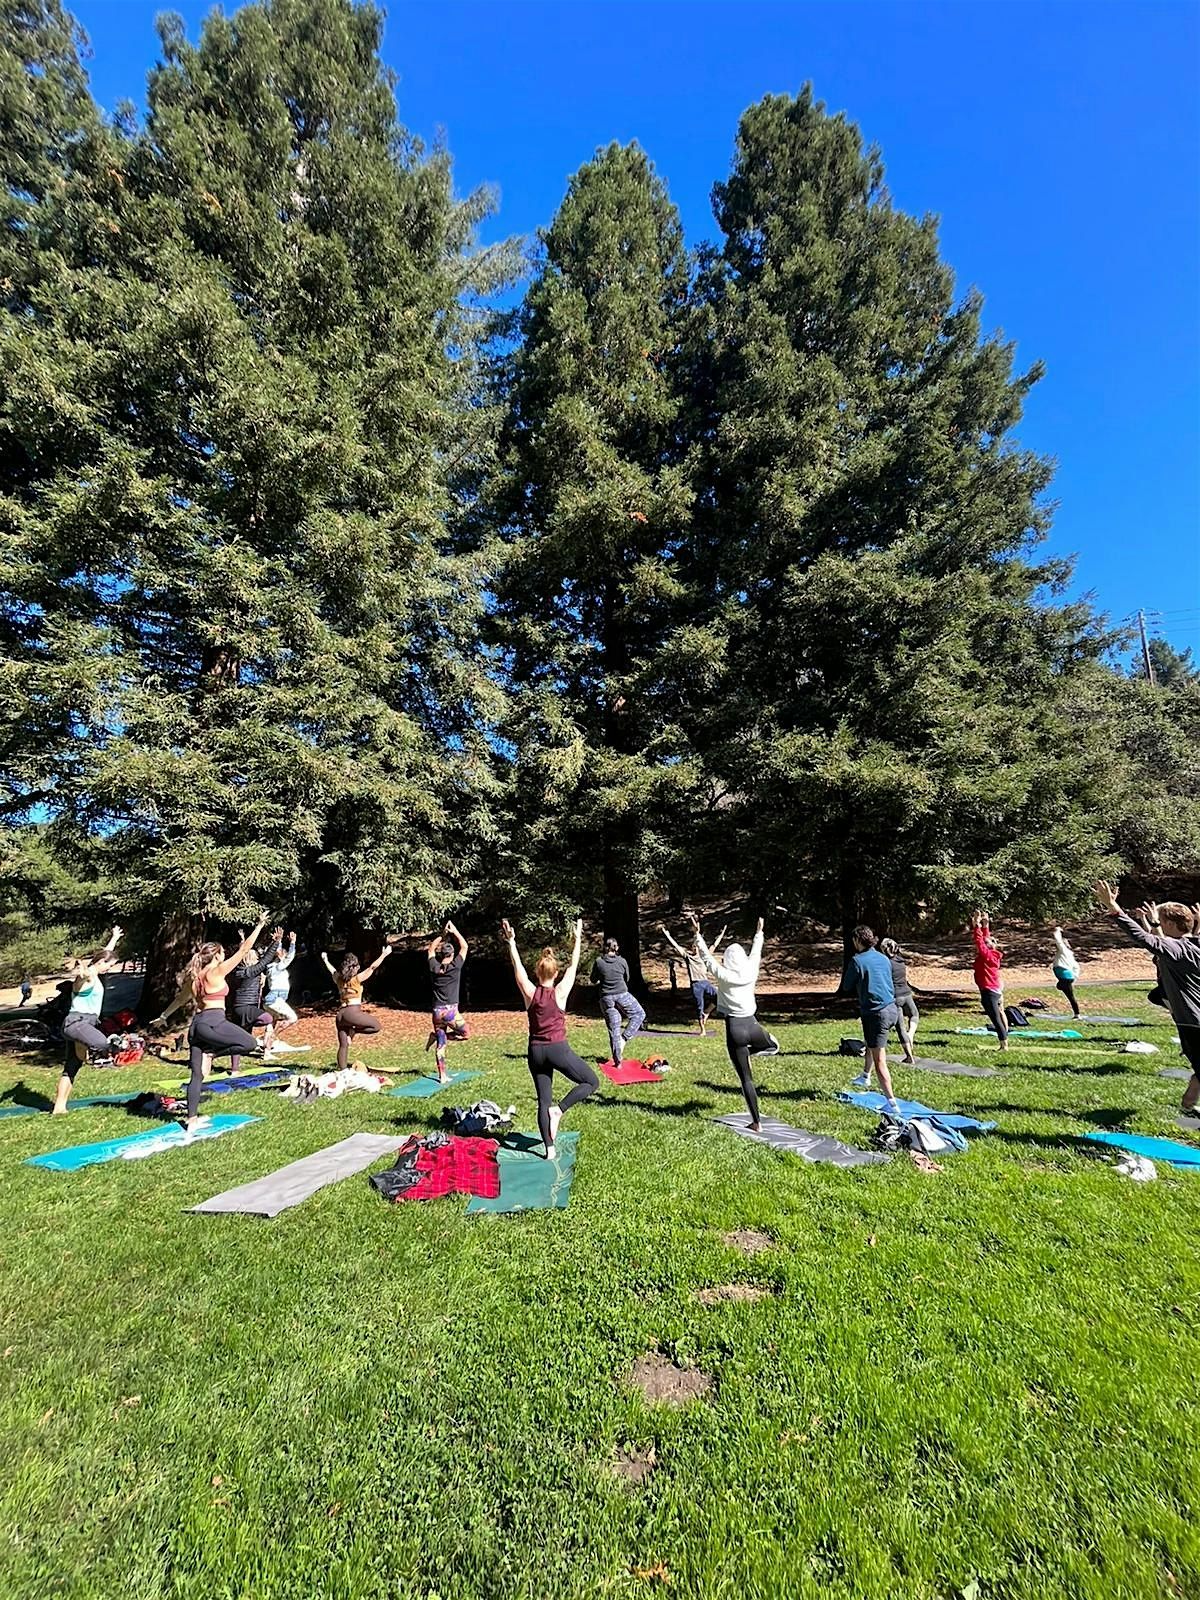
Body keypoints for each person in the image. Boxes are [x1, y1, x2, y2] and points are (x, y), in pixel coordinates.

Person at [1092, 881, 1200, 1116]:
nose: (1158, 927)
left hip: (1192, 1023)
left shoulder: (1178, 948)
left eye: (1160, 922)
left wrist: (1114, 908)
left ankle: (1188, 1108)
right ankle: (1187, 1106)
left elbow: (1144, 939)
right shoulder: (1194, 946)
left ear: (1170, 924)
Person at [501, 916, 598, 1159]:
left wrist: (511, 942)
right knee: (591, 1082)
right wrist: (577, 938)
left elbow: (517, 969)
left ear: (538, 972)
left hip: (535, 1051)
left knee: (543, 1100)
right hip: (557, 1049)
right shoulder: (561, 992)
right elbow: (574, 966)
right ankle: (560, 1111)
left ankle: (549, 1149)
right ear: (555, 974)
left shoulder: (530, 993)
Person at [673, 912, 778, 1131]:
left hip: (735, 1030)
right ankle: (760, 1049)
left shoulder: (723, 974)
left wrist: (697, 934)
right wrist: (759, 932)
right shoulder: (751, 970)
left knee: (746, 1079)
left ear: (728, 960)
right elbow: (756, 952)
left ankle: (756, 1123)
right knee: (773, 1045)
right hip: (753, 1025)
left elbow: (706, 958)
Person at [185, 915, 273, 1133]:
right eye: (223, 952)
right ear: (216, 956)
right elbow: (244, 951)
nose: (225, 955)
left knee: (196, 1075)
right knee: (250, 1044)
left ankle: (191, 1119)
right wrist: (259, 925)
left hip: (197, 1025)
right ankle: (212, 1055)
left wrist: (165, 1016)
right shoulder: (216, 971)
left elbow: (184, 999)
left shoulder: (195, 977)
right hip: (214, 1023)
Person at [52, 925, 124, 1114]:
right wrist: (81, 975)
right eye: (109, 965)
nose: (110, 968)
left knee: (72, 1066)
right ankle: (108, 1049)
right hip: (78, 1023)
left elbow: (105, 955)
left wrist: (114, 938)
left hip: (81, 1024)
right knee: (103, 1043)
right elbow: (79, 983)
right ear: (100, 963)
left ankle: (59, 1107)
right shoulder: (89, 975)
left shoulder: (96, 971)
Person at [840, 927, 903, 1110]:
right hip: (892, 1009)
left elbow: (846, 986)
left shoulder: (857, 961)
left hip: (877, 1014)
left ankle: (891, 1102)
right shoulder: (884, 958)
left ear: (858, 941)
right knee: (870, 1041)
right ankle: (865, 1077)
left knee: (880, 1059)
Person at [320, 941, 394, 1070]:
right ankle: (354, 1031)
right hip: (352, 1013)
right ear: (353, 968)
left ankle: (342, 1071)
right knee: (376, 1026)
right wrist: (384, 954)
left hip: (340, 1015)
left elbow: (332, 970)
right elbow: (372, 967)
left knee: (343, 1045)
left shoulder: (339, 979)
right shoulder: (356, 979)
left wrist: (325, 960)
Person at [226, 925, 284, 1072]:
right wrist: (276, 942)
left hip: (236, 1009)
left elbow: (243, 954)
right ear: (250, 960)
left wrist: (243, 941)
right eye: (255, 957)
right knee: (268, 1019)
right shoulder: (250, 971)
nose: (258, 958)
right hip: (247, 1008)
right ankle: (256, 1041)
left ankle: (234, 1069)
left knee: (237, 1040)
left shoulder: (236, 971)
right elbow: (265, 960)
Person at [660, 921, 726, 1034]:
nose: (695, 948)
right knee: (699, 1006)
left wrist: (722, 933)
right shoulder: (688, 957)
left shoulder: (705, 956)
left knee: (719, 996)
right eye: (693, 947)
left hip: (706, 982)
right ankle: (703, 1030)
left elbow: (714, 945)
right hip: (696, 985)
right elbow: (676, 946)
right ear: (691, 948)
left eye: (696, 946)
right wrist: (667, 935)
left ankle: (707, 1012)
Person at [590, 936, 647, 1064]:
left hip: (606, 998)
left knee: (614, 1027)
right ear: (616, 948)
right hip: (622, 994)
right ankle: (624, 1038)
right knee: (639, 1014)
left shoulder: (599, 962)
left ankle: (618, 1061)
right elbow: (626, 978)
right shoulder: (622, 961)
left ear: (604, 948)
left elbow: (593, 979)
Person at [427, 920, 470, 1083]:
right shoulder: (456, 966)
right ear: (452, 954)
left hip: (437, 1012)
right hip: (450, 1012)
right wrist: (454, 931)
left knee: (441, 1043)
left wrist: (442, 934)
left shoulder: (433, 966)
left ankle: (442, 1076)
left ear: (441, 955)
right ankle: (437, 1037)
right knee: (466, 1034)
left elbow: (430, 949)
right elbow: (464, 946)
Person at [971, 910, 1008, 1050]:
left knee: (995, 1018)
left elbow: (980, 940)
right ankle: (1005, 1037)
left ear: (989, 946)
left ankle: (1004, 1044)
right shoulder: (992, 954)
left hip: (989, 991)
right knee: (999, 1013)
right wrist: (986, 924)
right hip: (994, 989)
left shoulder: (986, 955)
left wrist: (976, 925)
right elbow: (985, 939)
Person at [879, 937, 918, 1064]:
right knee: (914, 1015)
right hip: (907, 993)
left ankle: (909, 1056)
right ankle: (911, 1033)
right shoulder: (901, 961)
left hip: (895, 997)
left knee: (900, 1028)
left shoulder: (885, 963)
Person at [262, 931, 301, 1049]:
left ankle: (266, 1048)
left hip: (270, 1000)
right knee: (292, 1018)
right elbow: (289, 957)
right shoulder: (278, 966)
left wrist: (278, 941)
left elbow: (278, 954)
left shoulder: (271, 967)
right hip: (275, 999)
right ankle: (272, 1038)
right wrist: (293, 943)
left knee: (271, 1022)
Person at [1051, 926, 1081, 1018]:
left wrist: (1057, 931)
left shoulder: (1064, 951)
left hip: (1065, 977)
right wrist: (1074, 977)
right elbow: (1076, 967)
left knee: (1070, 996)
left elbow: (1058, 941)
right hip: (1067, 977)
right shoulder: (1069, 955)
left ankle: (1077, 1015)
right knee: (1065, 991)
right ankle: (1077, 1014)